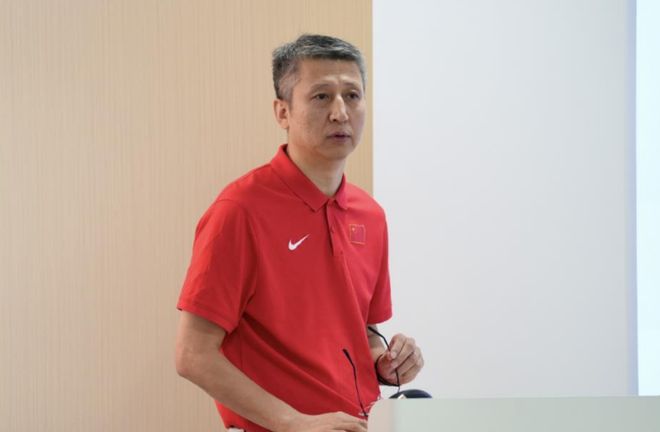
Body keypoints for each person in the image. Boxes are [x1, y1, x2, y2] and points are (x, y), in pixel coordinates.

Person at [175, 34, 424, 432]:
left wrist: (386, 360)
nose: (340, 112)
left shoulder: (371, 216)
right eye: (321, 96)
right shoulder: (239, 211)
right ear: (283, 112)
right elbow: (193, 355)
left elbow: (364, 333)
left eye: (352, 95)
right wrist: (292, 422)